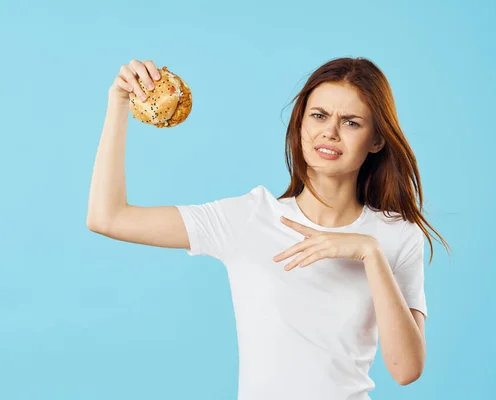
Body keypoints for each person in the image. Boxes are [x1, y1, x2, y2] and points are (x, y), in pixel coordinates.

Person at [87, 57, 451, 400]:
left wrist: (369, 253)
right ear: (300, 123)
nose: (330, 132)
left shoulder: (396, 235)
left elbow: (406, 370)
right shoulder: (249, 218)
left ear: (376, 139)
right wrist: (117, 104)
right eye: (319, 116)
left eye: (351, 122)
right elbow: (108, 217)